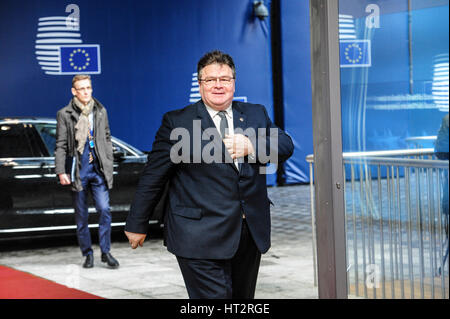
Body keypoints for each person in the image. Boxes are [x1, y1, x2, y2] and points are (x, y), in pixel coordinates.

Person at [125, 50, 294, 298]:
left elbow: (286, 145)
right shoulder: (177, 122)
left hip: (248, 233)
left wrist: (251, 146)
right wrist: (137, 223)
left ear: (234, 83)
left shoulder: (256, 113)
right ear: (200, 84)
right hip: (197, 235)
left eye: (224, 79)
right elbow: (153, 176)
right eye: (210, 79)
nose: (218, 85)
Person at [55, 75, 119, 269]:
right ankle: (88, 254)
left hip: (97, 169)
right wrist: (61, 171)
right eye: (81, 88)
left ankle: (106, 252)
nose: (85, 91)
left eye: (88, 88)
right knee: (81, 216)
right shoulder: (65, 114)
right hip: (79, 171)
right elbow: (60, 145)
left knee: (104, 210)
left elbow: (106, 137)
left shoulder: (100, 111)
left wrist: (108, 160)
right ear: (74, 91)